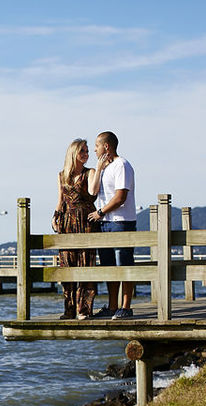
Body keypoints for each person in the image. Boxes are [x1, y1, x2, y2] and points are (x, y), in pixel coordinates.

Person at [88, 131, 137, 319]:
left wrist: (100, 212)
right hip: (105, 223)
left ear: (106, 146)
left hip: (120, 222)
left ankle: (126, 306)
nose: (94, 150)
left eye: (97, 146)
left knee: (123, 264)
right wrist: (98, 168)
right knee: (108, 266)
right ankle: (112, 306)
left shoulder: (122, 165)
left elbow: (120, 197)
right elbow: (93, 192)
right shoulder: (104, 168)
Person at [52, 138, 98, 319]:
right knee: (67, 265)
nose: (86, 154)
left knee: (86, 264)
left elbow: (93, 193)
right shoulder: (61, 175)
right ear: (73, 153)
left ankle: (84, 309)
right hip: (67, 222)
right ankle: (69, 309)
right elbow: (60, 200)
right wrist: (55, 217)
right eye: (82, 151)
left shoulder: (90, 172)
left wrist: (99, 168)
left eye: (87, 151)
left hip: (85, 221)